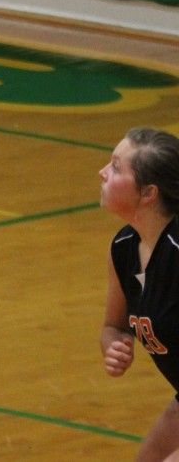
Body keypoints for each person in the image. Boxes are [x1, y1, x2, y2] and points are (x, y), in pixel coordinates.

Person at [100, 127, 179, 461]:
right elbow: (113, 326)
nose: (102, 171)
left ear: (148, 193)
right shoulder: (123, 247)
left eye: (117, 167)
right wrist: (114, 346)